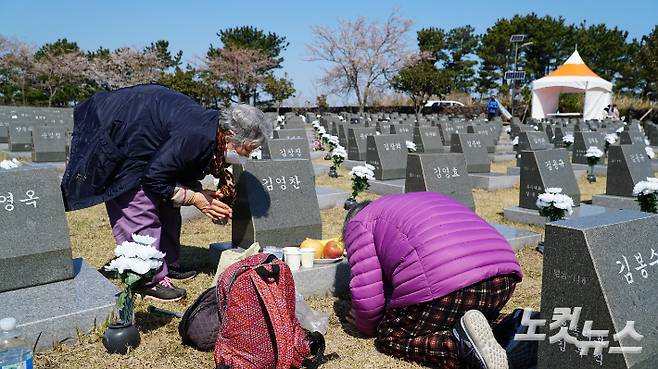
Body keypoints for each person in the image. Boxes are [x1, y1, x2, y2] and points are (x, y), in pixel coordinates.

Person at [61, 84, 272, 302]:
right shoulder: (198, 134)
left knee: (169, 203)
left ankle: (168, 263)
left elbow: (176, 167)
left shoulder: (212, 131)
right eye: (247, 148)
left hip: (142, 139)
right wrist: (195, 197)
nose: (246, 155)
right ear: (231, 133)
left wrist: (197, 193)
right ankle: (148, 278)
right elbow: (154, 178)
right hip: (120, 139)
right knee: (139, 204)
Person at [342, 192, 523, 369]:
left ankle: (459, 346)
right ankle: (517, 325)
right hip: (504, 278)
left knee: (390, 337)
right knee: (466, 317)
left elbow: (368, 292)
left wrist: (365, 324)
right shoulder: (407, 203)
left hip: (449, 284)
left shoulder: (358, 222)